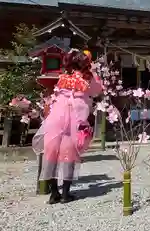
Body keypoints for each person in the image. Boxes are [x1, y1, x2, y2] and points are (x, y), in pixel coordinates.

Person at [32, 49, 103, 204]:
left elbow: (56, 93)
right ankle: (65, 194)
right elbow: (97, 91)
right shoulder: (87, 78)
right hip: (75, 119)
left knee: (51, 153)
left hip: (57, 117)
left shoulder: (64, 77)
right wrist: (93, 72)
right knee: (68, 155)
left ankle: (53, 194)